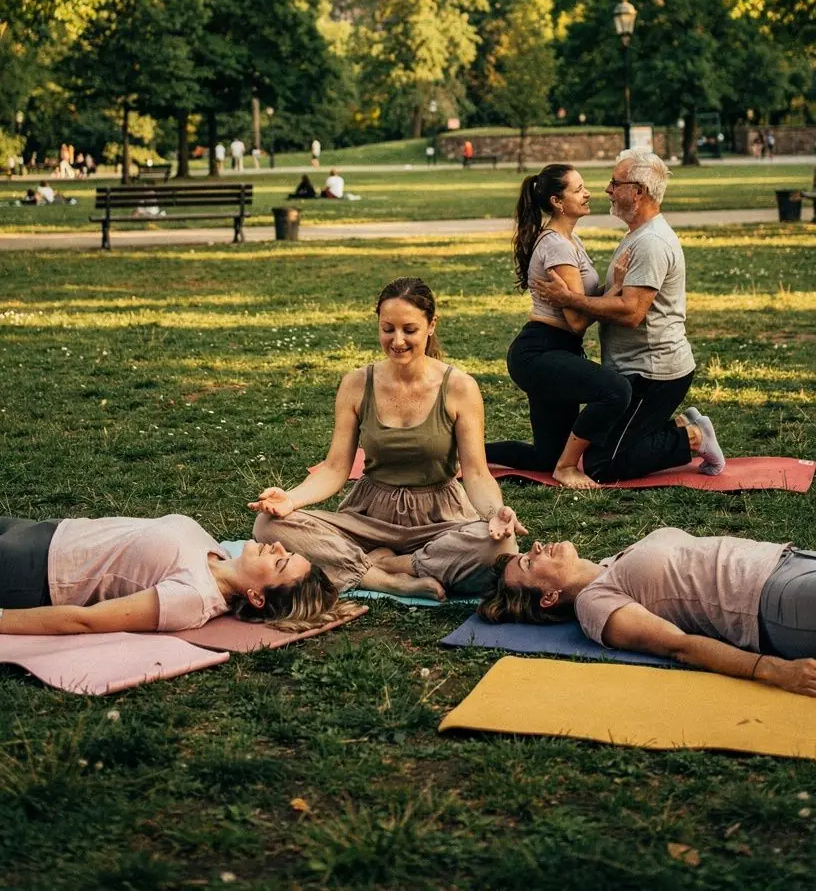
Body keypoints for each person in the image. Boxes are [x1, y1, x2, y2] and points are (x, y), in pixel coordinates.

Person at [251, 277, 527, 600]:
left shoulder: (460, 387)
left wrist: (495, 511)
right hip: (369, 518)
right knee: (267, 526)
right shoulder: (356, 384)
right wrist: (291, 500)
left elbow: (477, 474)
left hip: (440, 520)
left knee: (502, 546)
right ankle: (381, 578)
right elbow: (334, 469)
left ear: (431, 325)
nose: (397, 341)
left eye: (409, 330)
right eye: (387, 329)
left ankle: (398, 564)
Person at [536, 150, 725, 484]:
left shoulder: (651, 242)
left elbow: (631, 312)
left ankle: (693, 437)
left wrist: (571, 300)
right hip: (634, 368)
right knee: (605, 449)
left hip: (653, 373)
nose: (607, 189)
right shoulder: (638, 234)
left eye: (615, 182)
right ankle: (679, 426)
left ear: (637, 191)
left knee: (602, 465)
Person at [478, 529, 816, 697]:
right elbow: (679, 646)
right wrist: (772, 671)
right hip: (774, 603)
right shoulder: (594, 603)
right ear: (549, 597)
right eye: (528, 562)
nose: (536, 547)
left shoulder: (612, 564)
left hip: (787, 561)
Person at [485, 164, 633, 489]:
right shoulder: (557, 246)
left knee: (545, 456)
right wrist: (614, 291)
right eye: (578, 189)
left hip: (554, 351)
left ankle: (462, 453)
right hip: (540, 353)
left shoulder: (569, 239)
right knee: (616, 390)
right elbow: (577, 322)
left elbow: (578, 306)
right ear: (557, 201)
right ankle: (566, 469)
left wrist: (605, 292)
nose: (588, 193)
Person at [0, 513, 340, 636]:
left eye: (280, 563)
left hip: (30, 572)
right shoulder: (219, 554)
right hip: (47, 533)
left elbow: (85, 621)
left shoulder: (192, 598)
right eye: (287, 552)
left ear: (257, 596)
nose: (278, 547)